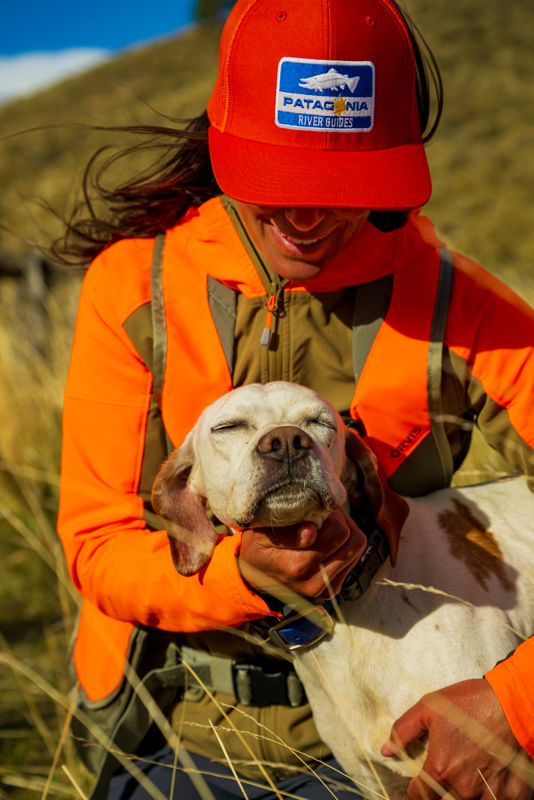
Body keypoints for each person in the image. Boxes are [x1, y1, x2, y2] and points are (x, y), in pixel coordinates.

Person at [55, 0, 534, 798]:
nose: (306, 215)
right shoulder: (133, 288)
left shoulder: (464, 304)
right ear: (224, 148)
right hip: (178, 726)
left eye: (339, 182)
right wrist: (241, 579)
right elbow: (95, 544)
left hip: (411, 729)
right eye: (276, 177)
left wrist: (515, 707)